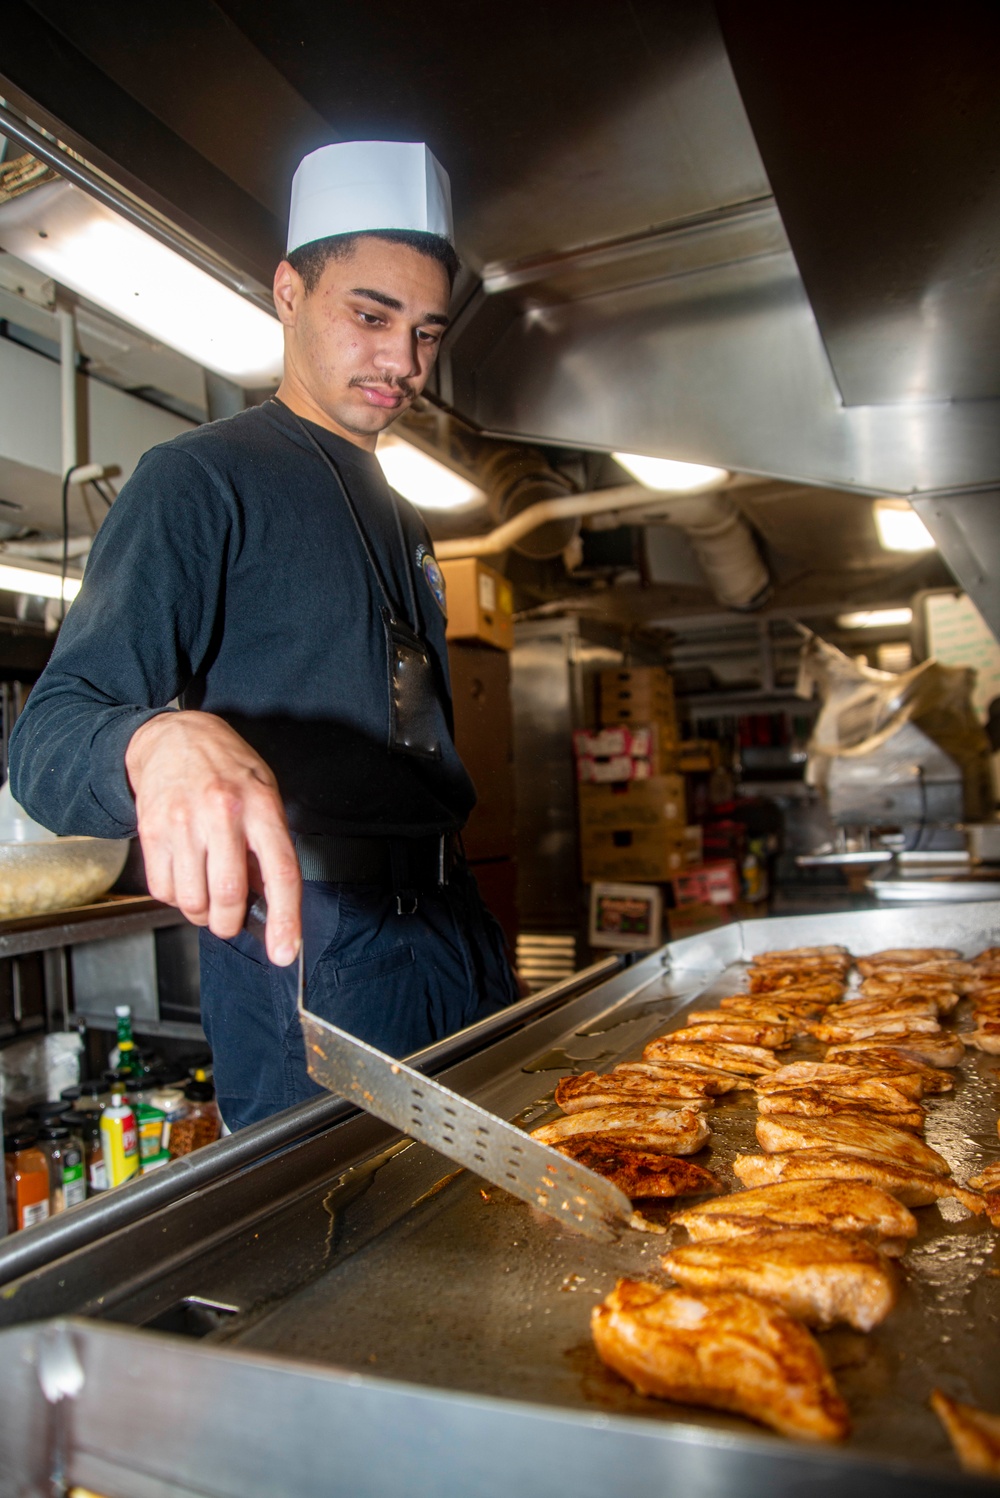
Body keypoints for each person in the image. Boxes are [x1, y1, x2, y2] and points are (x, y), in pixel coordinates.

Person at [9, 141, 518, 1130]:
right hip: (316, 948)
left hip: (454, 926)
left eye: (426, 331)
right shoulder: (198, 480)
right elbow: (47, 742)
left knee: (496, 1233)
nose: (402, 362)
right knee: (340, 1257)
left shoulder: (404, 518)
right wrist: (152, 741)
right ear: (288, 289)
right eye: (370, 316)